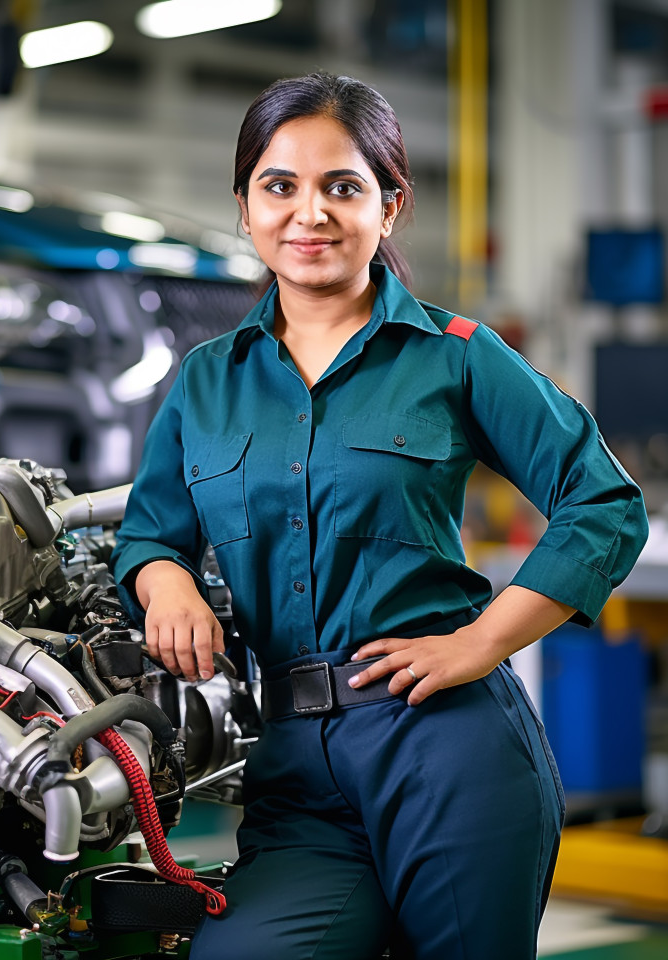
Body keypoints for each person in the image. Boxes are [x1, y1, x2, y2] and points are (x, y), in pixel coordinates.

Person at [110, 73, 648, 960]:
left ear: (388, 208)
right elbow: (150, 532)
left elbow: (603, 501)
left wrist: (484, 641)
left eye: (343, 186)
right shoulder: (205, 379)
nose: (309, 213)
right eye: (279, 186)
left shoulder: (457, 358)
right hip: (291, 766)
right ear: (245, 207)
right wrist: (165, 583)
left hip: (443, 742)